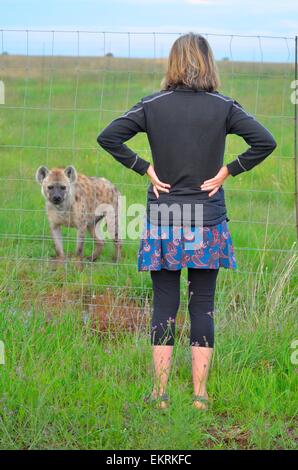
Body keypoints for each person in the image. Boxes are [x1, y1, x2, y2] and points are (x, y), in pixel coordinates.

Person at [97, 32, 277, 410]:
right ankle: (199, 395)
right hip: (208, 220)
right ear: (208, 62)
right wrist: (230, 170)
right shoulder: (223, 105)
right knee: (203, 305)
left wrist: (143, 168)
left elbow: (108, 137)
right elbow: (265, 141)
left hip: (164, 217)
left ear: (173, 63)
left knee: (164, 303)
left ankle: (160, 395)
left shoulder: (153, 103)